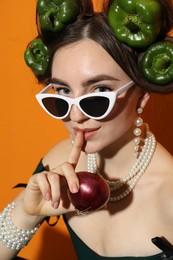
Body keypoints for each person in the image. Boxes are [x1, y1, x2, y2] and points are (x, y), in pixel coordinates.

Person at [1, 0, 173, 259]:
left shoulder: (169, 194)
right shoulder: (58, 163)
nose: (75, 115)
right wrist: (25, 213)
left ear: (142, 93)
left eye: (100, 91)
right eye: (62, 92)